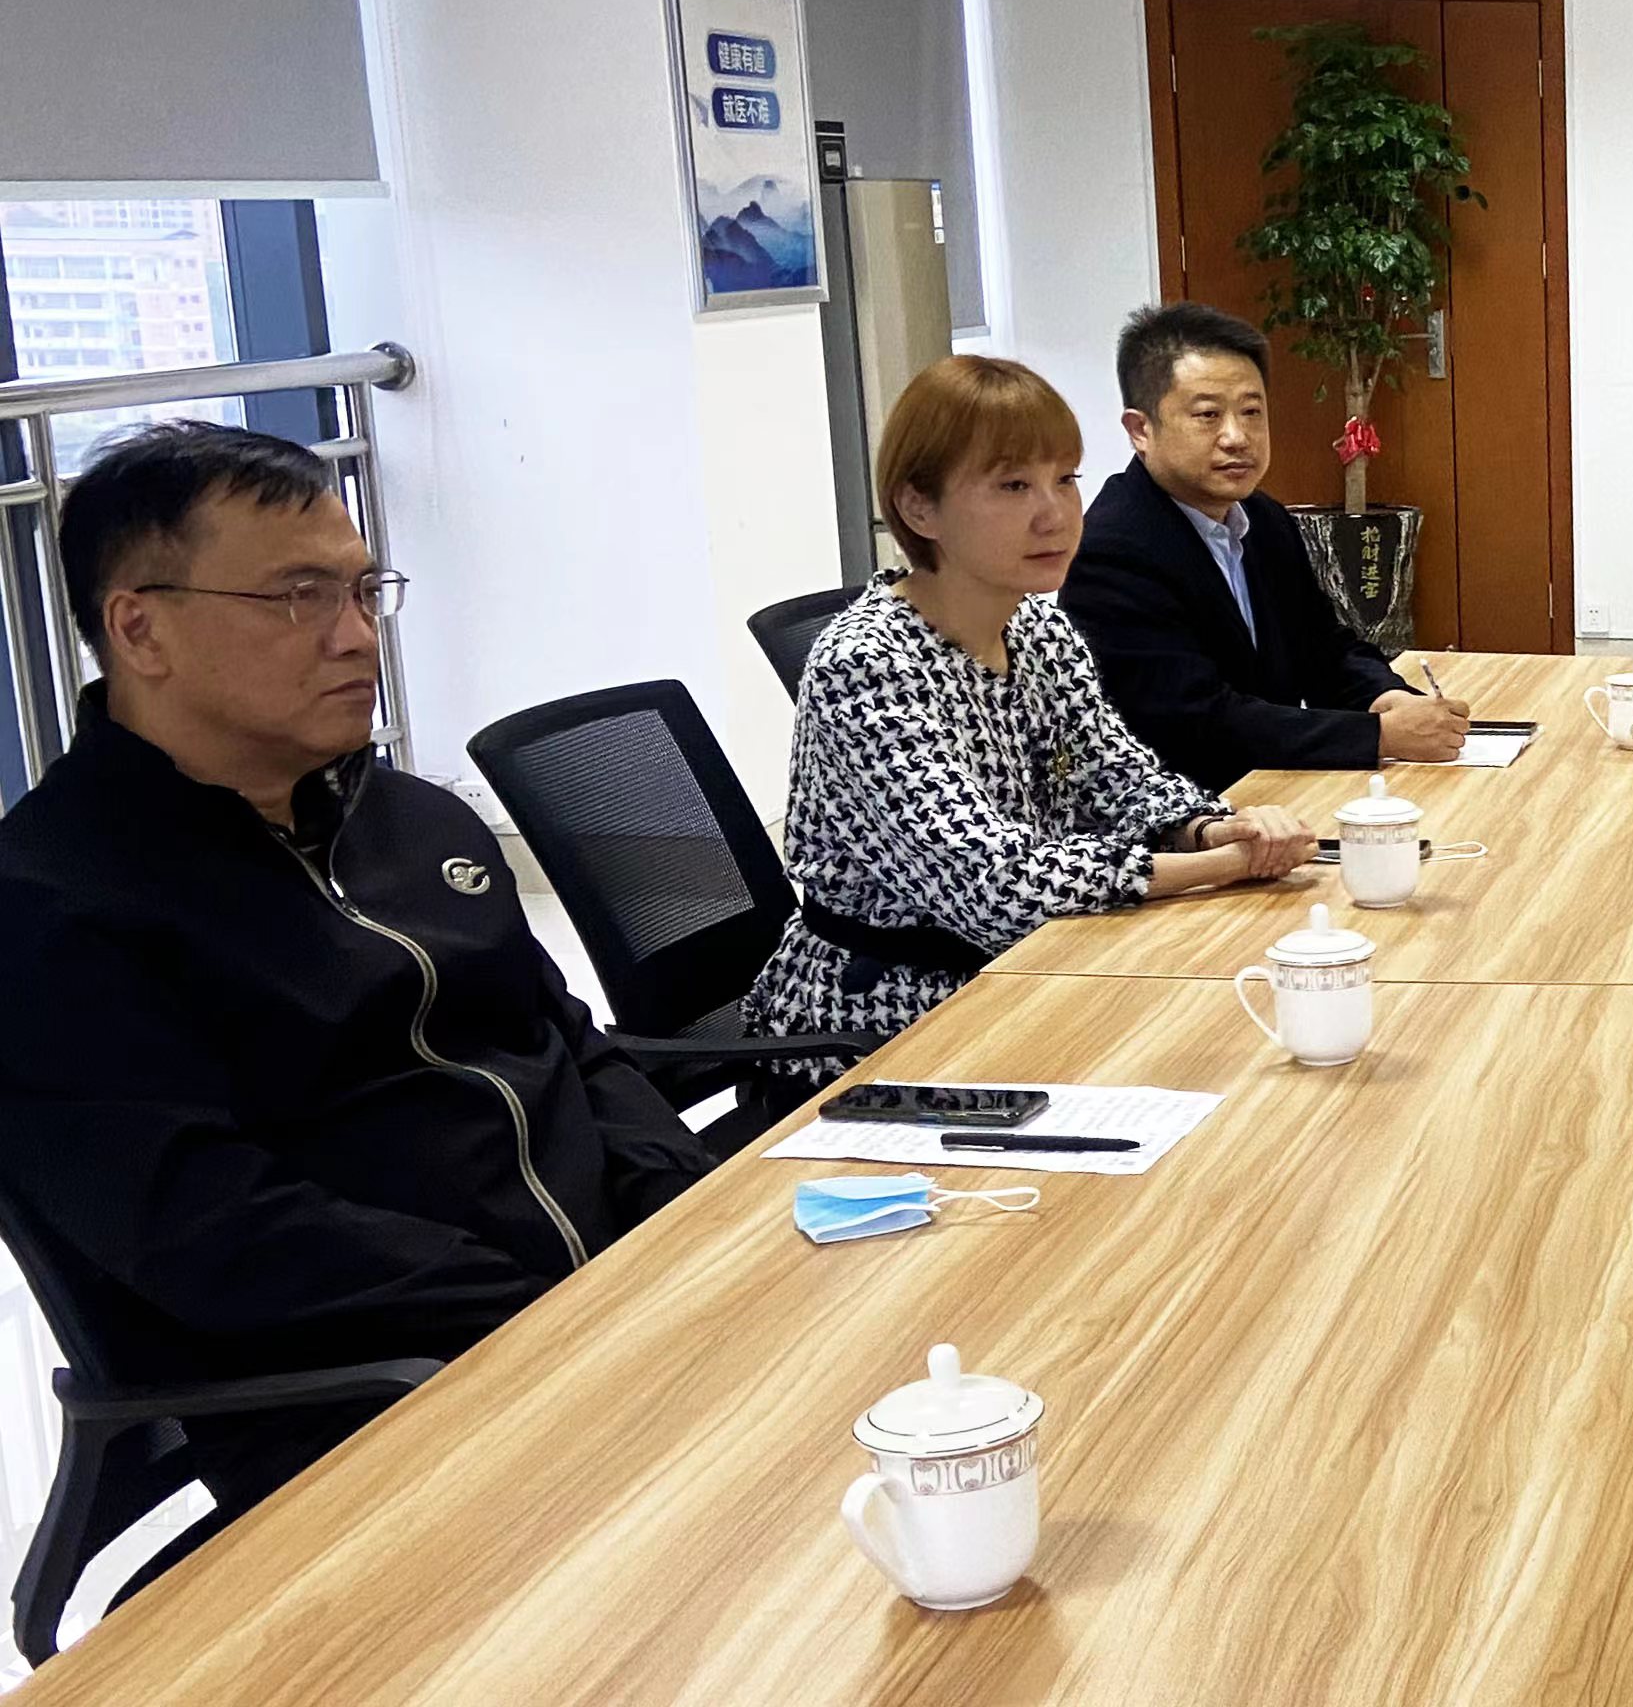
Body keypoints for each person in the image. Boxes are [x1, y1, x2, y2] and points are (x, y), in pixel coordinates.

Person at [0, 422, 715, 1526]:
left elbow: (565, 1041)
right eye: (298, 597)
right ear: (140, 628)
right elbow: (218, 1237)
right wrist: (561, 1312)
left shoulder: (414, 821)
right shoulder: (55, 905)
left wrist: (688, 1214)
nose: (355, 637)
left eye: (363, 591)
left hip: (598, 1330)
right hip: (378, 1417)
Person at [748, 355, 1317, 1066]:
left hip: (1034, 965)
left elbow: (1120, 779)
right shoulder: (866, 663)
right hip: (887, 1013)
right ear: (920, 507)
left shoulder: (1039, 628)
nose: (1055, 514)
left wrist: (1210, 828)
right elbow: (995, 887)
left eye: (1065, 479)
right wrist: (1220, 866)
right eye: (1014, 485)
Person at [1062, 302, 1471, 781]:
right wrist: (1378, 736)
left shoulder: (1264, 518)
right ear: (1141, 430)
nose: (1237, 436)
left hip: (1275, 792)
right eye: (1208, 415)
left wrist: (1387, 697)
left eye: (1252, 412)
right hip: (1191, 807)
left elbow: (1325, 647)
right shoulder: (1111, 553)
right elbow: (1195, 722)